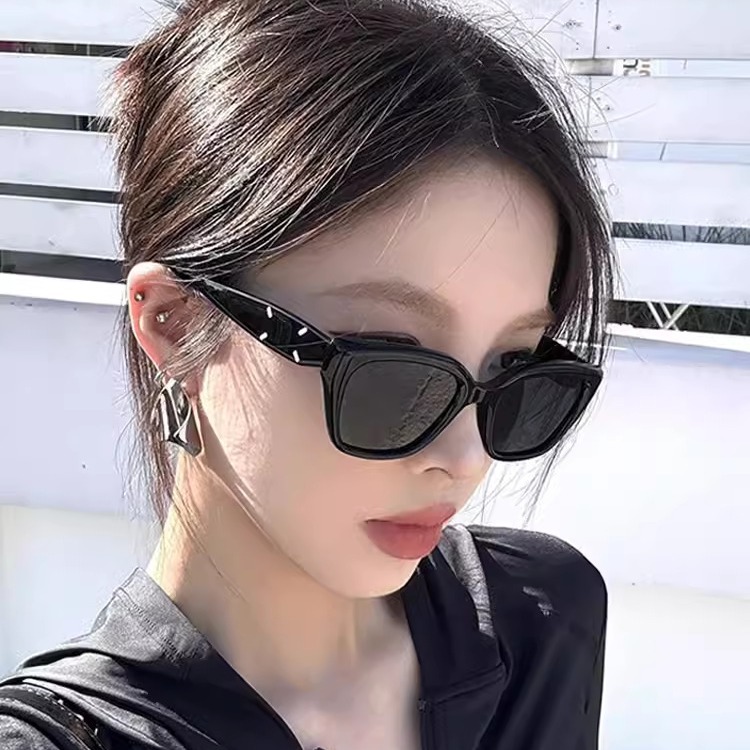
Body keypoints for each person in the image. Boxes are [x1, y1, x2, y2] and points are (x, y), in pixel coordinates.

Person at [0, 0, 615, 747]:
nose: (465, 457)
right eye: (390, 366)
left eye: (516, 368)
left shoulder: (543, 621)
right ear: (175, 320)